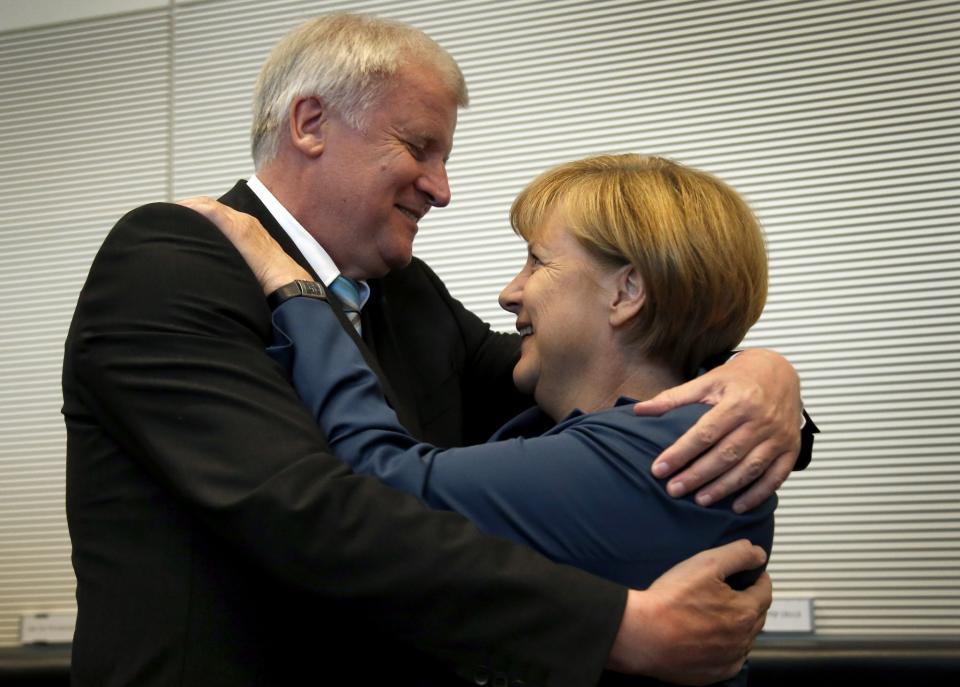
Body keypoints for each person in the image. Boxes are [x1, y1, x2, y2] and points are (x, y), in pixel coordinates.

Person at [63, 13, 812, 687]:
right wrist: (617, 627)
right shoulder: (172, 258)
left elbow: (597, 377)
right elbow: (305, 511)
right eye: (419, 147)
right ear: (311, 122)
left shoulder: (409, 292)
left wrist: (762, 379)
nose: (442, 188)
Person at [186, 153, 778, 686]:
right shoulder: (635, 426)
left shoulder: (657, 454)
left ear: (627, 291)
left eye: (537, 262)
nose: (508, 292)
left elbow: (379, 482)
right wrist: (765, 367)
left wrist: (296, 290)